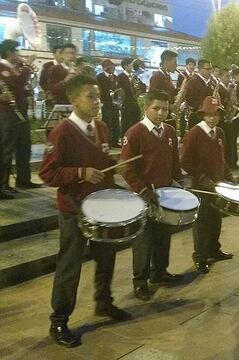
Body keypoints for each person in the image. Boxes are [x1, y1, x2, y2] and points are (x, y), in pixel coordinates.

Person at [40, 75, 132, 348]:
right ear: (73, 99)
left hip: (102, 205)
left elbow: (101, 159)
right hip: (74, 209)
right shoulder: (62, 132)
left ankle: (104, 302)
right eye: (90, 96)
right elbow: (48, 173)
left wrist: (114, 166)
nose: (97, 101)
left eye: (98, 96)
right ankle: (59, 320)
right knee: (70, 265)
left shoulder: (101, 127)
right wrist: (80, 173)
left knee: (107, 257)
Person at [120, 91, 183, 301]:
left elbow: (174, 161)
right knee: (143, 240)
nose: (161, 113)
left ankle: (160, 271)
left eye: (165, 109)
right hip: (143, 196)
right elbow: (127, 169)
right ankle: (140, 280)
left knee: (163, 235)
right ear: (146, 108)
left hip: (165, 194)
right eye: (156, 108)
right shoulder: (135, 133)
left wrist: (178, 182)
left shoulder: (170, 131)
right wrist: (144, 192)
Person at [181, 96, 234, 274]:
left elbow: (221, 158)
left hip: (217, 186)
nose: (212, 118)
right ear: (203, 115)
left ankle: (214, 250)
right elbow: (185, 162)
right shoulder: (194, 134)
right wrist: (202, 177)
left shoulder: (220, 133)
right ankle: (200, 256)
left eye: (216, 115)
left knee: (215, 220)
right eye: (209, 115)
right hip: (201, 186)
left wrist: (228, 175)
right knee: (202, 223)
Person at [0, 40, 39, 199]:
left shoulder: (15, 68)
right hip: (8, 113)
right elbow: (15, 84)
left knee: (24, 147)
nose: (20, 55)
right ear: (9, 52)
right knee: (7, 150)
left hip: (21, 113)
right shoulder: (2, 68)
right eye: (17, 51)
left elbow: (21, 88)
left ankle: (23, 180)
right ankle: (3, 185)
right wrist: (28, 66)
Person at [182, 59, 215, 133]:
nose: (210, 71)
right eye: (208, 69)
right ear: (200, 69)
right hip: (197, 116)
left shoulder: (212, 82)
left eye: (211, 69)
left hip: (209, 116)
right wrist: (201, 107)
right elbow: (188, 99)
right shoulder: (193, 81)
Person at [148, 50, 179, 128]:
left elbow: (170, 92)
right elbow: (153, 97)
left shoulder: (167, 76)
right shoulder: (157, 77)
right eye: (174, 62)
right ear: (166, 61)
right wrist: (169, 105)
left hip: (167, 113)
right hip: (161, 116)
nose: (176, 65)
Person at [96, 59, 120, 147]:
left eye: (113, 67)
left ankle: (115, 141)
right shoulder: (100, 77)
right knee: (107, 122)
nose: (113, 68)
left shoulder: (115, 77)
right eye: (111, 67)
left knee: (115, 122)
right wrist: (108, 94)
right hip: (105, 103)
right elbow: (99, 90)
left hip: (115, 103)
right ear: (105, 68)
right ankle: (107, 141)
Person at [117, 58, 143, 135]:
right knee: (126, 123)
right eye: (131, 65)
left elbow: (142, 86)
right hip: (126, 103)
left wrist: (139, 86)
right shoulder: (121, 76)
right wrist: (131, 81)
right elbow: (121, 90)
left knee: (136, 122)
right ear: (125, 66)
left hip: (134, 102)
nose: (134, 67)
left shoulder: (135, 76)